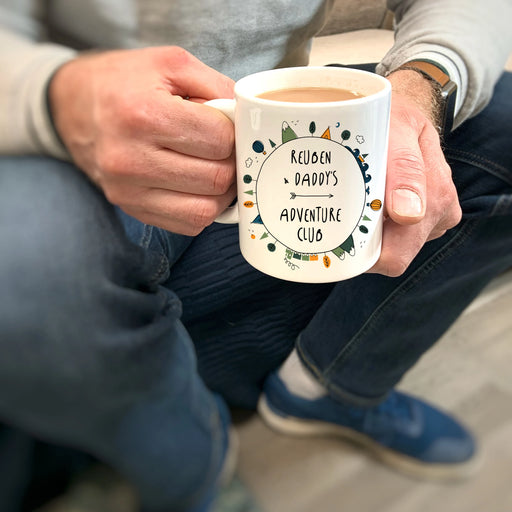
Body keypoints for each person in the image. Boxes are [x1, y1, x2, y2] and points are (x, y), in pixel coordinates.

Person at [0, 0, 511, 511]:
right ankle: (197, 464)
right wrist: (56, 94)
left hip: (268, 115)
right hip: (77, 132)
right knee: (25, 261)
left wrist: (423, 87)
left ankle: (330, 386)